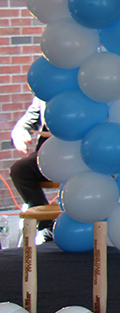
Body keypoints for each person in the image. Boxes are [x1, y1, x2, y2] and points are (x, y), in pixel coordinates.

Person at [10, 96, 54, 239]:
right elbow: (31, 117)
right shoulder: (43, 94)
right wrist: (19, 131)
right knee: (20, 169)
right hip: (48, 154)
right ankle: (46, 225)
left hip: (79, 154)